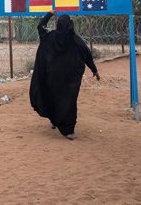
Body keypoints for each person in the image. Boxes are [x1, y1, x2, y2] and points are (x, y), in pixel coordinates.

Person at [29, 10, 100, 140]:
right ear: (70, 25)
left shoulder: (50, 37)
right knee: (69, 101)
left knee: (52, 97)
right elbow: (87, 55)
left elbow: (40, 26)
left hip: (52, 77)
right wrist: (94, 70)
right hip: (70, 80)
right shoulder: (76, 41)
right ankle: (69, 130)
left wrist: (49, 13)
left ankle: (54, 120)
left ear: (58, 25)